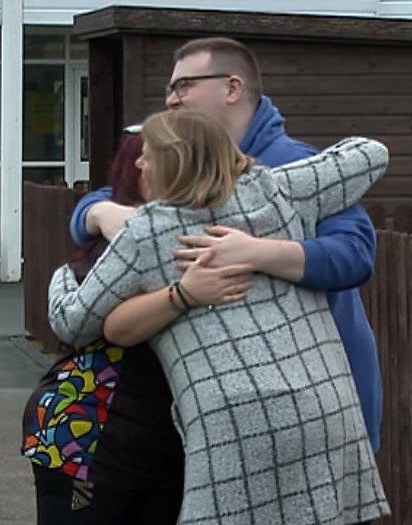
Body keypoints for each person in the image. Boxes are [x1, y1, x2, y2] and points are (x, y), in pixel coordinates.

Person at [50, 109, 390, 524]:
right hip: (325, 402)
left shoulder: (147, 231)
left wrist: (64, 276)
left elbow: (73, 322)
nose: (140, 161)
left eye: (150, 154)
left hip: (233, 416)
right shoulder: (276, 189)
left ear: (177, 160)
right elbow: (371, 153)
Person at [70, 37, 383, 455]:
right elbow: (123, 190)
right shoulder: (188, 163)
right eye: (169, 89)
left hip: (320, 395)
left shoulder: (294, 164)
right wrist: (96, 212)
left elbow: (355, 255)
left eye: (183, 86)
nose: (172, 101)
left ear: (232, 88)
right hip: (231, 416)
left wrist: (255, 252)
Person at [22, 130, 254, 524]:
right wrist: (184, 294)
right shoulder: (121, 247)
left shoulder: (212, 238)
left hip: (162, 443)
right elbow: (82, 322)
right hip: (89, 437)